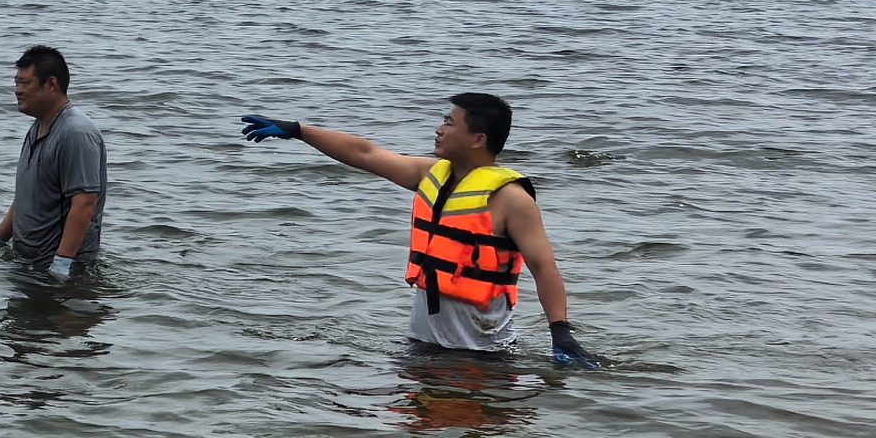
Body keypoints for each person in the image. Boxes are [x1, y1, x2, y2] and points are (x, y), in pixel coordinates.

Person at [240, 93, 605, 368]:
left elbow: (544, 267)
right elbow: (365, 153)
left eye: (449, 122)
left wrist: (560, 331)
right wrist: (300, 131)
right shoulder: (431, 174)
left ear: (478, 139)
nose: (439, 128)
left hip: (482, 352)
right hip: (423, 341)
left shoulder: (510, 198)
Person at [0, 44, 104, 282]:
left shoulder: (76, 133)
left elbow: (84, 204)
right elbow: (26, 196)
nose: (17, 90)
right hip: (28, 265)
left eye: (26, 83)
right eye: (16, 83)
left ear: (51, 84)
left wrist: (61, 266)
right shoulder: (37, 129)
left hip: (63, 271)